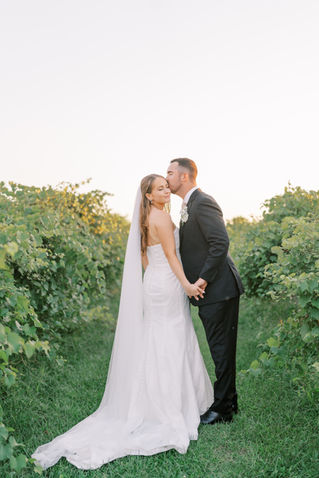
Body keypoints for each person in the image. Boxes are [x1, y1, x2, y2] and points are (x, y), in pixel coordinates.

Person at [31, 174, 214, 470]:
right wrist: (187, 286)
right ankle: (170, 406)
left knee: (157, 338)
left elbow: (146, 256)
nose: (167, 190)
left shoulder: (145, 218)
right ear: (149, 195)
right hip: (167, 283)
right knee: (171, 338)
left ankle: (153, 399)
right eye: (160, 189)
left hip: (154, 282)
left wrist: (156, 276)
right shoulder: (163, 220)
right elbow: (171, 256)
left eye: (167, 186)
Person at [166, 159, 244, 425]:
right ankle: (229, 401)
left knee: (221, 348)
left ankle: (222, 408)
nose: (167, 177)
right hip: (215, 290)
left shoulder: (203, 202)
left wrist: (202, 280)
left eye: (171, 172)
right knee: (221, 348)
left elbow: (220, 242)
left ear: (185, 177)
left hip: (218, 288)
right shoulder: (188, 205)